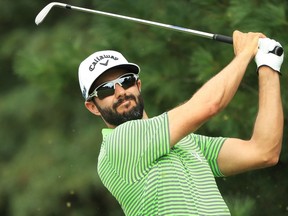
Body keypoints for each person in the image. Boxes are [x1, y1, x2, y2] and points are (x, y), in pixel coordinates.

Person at [78, 30, 284, 215]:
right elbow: (209, 105)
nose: (120, 92)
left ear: (138, 85)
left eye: (126, 81)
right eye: (106, 89)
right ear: (93, 106)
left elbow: (263, 151)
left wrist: (268, 66)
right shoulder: (120, 143)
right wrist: (245, 54)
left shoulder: (188, 143)